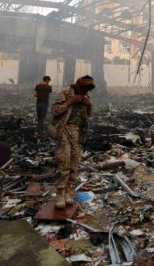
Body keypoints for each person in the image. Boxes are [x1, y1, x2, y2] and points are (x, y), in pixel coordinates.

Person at [50, 75, 95, 209]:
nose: (86, 92)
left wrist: (89, 106)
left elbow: (87, 116)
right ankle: (60, 192)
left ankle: (69, 191)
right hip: (64, 129)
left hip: (77, 132)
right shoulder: (64, 94)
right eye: (85, 89)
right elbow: (54, 111)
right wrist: (70, 102)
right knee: (64, 160)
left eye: (88, 90)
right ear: (79, 87)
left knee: (74, 162)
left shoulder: (86, 98)